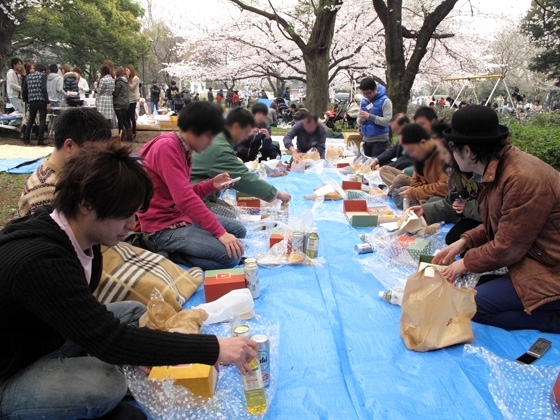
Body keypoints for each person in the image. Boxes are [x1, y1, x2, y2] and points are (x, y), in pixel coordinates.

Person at [0, 144, 258, 420]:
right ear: (86, 204)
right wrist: (214, 348)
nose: (133, 225)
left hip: (46, 337)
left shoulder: (80, 235)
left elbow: (98, 326)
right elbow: (108, 339)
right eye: (124, 215)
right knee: (106, 385)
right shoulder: (41, 262)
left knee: (134, 311)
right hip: (12, 369)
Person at [433, 105, 560, 333]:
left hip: (551, 268)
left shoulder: (520, 178)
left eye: (453, 147)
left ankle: (553, 319)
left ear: (468, 151)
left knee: (473, 306)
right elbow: (504, 226)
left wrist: (463, 263)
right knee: (478, 285)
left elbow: (508, 247)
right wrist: (464, 242)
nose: (451, 154)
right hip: (538, 260)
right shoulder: (502, 167)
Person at [137, 101, 247, 270]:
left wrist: (211, 184)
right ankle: (170, 252)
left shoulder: (184, 149)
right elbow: (185, 199)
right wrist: (220, 233)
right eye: (209, 137)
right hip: (163, 227)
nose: (210, 143)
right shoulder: (166, 148)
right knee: (231, 256)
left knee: (239, 231)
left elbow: (183, 193)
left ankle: (189, 247)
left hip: (181, 217)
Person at [192, 107, 291, 213]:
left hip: (197, 192)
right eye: (246, 132)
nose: (246, 137)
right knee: (233, 223)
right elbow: (244, 179)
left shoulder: (216, 137)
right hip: (191, 198)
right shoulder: (220, 148)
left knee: (234, 213)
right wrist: (277, 194)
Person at [18, 107, 113, 217]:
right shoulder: (49, 192)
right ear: (69, 145)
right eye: (94, 152)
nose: (98, 159)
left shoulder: (62, 175)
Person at [408, 122, 483, 244]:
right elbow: (452, 200)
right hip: (472, 214)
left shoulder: (485, 173)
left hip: (492, 220)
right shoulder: (458, 171)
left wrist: (467, 207)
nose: (441, 158)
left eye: (443, 153)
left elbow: (497, 210)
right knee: (453, 239)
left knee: (465, 246)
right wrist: (425, 209)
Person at [390, 123, 448, 209]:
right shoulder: (419, 156)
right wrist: (418, 195)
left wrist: (417, 193)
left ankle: (424, 209)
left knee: (435, 201)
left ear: (423, 143)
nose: (411, 155)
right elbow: (415, 181)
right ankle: (423, 208)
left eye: (411, 150)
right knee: (397, 193)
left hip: (440, 196)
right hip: (425, 194)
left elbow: (444, 187)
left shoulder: (443, 154)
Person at [372, 114, 414, 185]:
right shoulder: (404, 136)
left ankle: (399, 189)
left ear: (404, 125)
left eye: (396, 129)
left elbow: (405, 160)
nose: (395, 132)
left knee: (384, 170)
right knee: (383, 167)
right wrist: (377, 160)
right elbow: (393, 150)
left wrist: (388, 167)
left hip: (410, 172)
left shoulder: (414, 138)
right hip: (402, 169)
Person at [358, 77, 393, 158]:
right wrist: (361, 120)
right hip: (366, 139)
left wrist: (370, 116)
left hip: (380, 140)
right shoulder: (363, 101)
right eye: (364, 93)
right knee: (365, 166)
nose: (367, 96)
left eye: (369, 93)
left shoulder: (385, 101)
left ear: (375, 89)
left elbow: (387, 121)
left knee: (375, 166)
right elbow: (358, 119)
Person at [21, 64, 50, 146]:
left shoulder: (28, 77)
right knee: (42, 120)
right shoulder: (43, 76)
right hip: (41, 100)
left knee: (31, 119)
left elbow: (24, 90)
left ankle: (26, 139)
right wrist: (47, 101)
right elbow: (44, 89)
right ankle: (40, 140)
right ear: (42, 70)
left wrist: (26, 100)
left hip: (32, 100)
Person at [113, 67, 132, 142]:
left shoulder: (119, 82)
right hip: (126, 103)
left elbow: (116, 93)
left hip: (119, 103)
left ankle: (121, 136)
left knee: (120, 120)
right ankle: (130, 135)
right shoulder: (127, 81)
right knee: (124, 120)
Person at [126, 64, 140, 139]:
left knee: (131, 115)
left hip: (133, 99)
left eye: (127, 70)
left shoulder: (136, 78)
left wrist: (127, 79)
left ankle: (134, 131)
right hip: (128, 99)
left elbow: (131, 87)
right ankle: (129, 131)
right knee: (127, 116)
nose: (126, 72)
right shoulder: (128, 78)